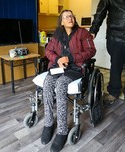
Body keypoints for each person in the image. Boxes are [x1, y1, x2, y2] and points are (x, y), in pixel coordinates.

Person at [41, 10, 96, 152]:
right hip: (58, 67)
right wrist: (57, 59)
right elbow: (48, 51)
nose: (70, 18)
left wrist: (71, 59)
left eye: (71, 16)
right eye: (66, 17)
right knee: (47, 83)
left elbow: (91, 51)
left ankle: (62, 130)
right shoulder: (57, 34)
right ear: (62, 21)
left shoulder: (83, 33)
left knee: (60, 86)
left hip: (75, 68)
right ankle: (48, 123)